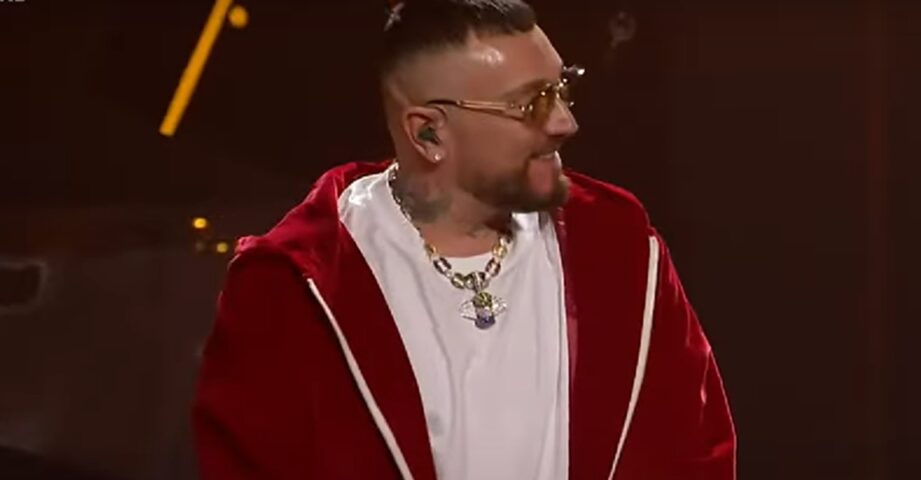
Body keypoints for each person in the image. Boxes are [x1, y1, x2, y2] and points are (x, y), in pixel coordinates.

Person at [191, 0, 735, 478]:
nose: (564, 123)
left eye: (562, 88)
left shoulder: (622, 253)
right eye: (531, 104)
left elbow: (694, 456)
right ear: (428, 132)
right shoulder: (288, 289)